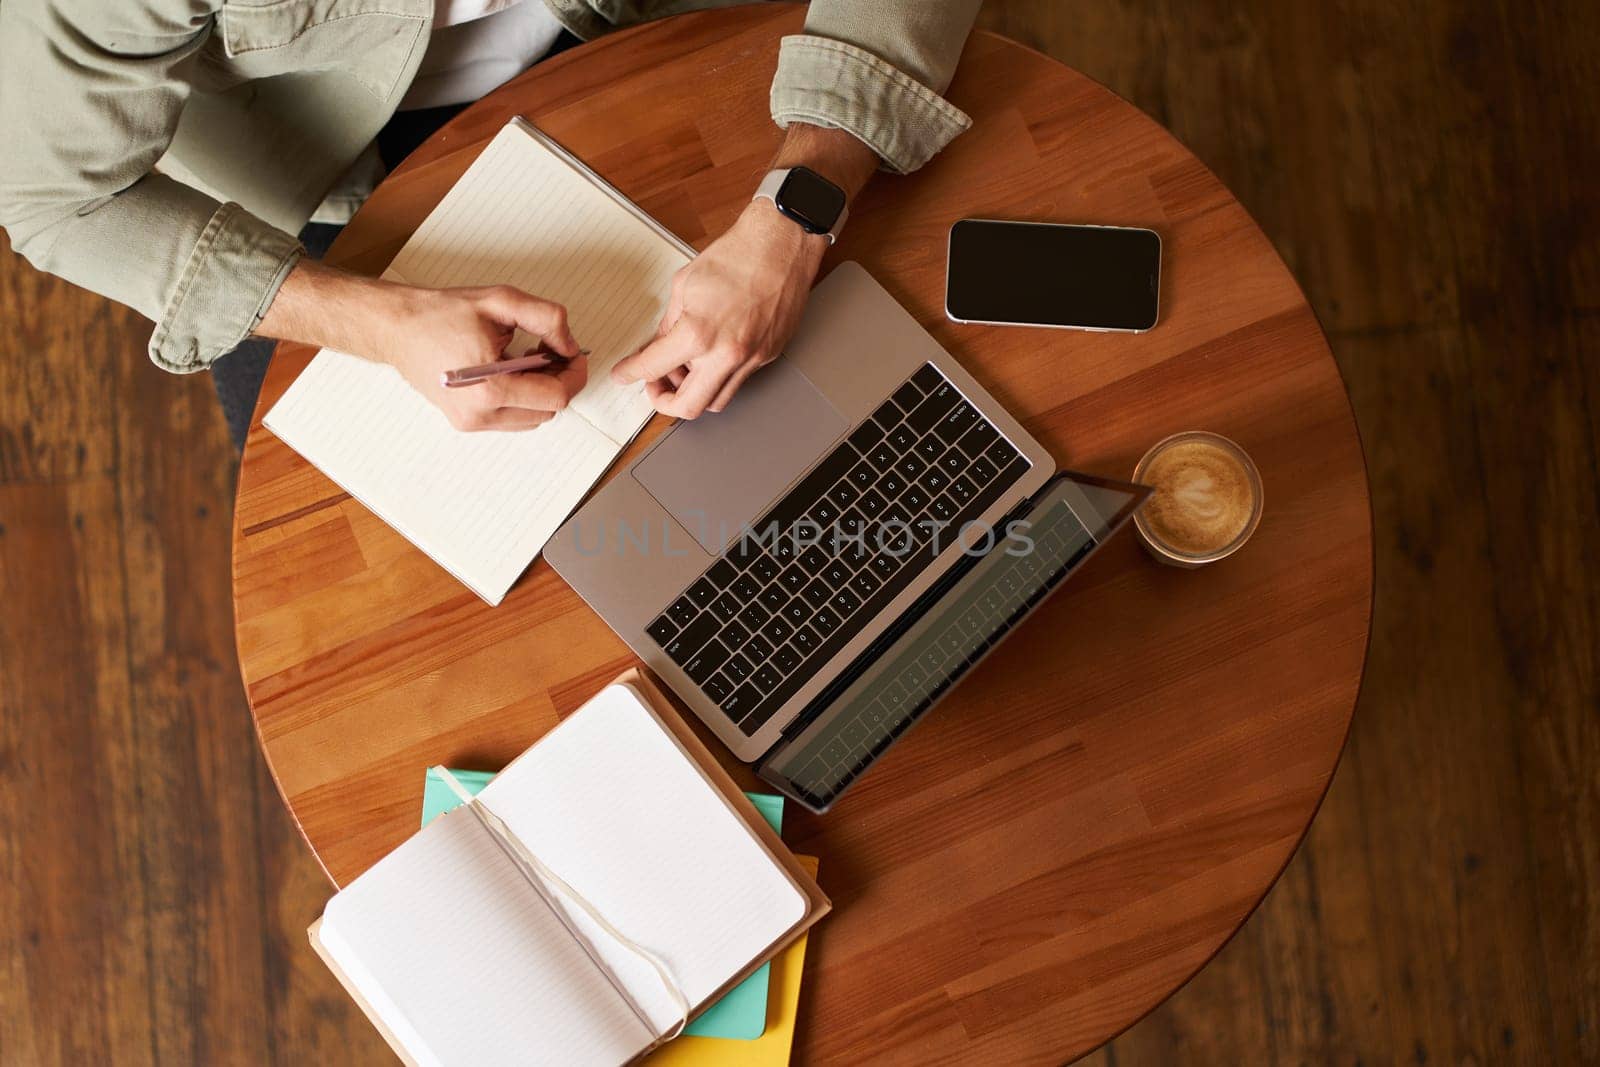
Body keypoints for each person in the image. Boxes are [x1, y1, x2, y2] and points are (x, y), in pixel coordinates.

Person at [0, 0, 982, 448]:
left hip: (639, 35)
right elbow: (54, 200)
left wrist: (796, 209)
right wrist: (378, 321)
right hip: (316, 176)